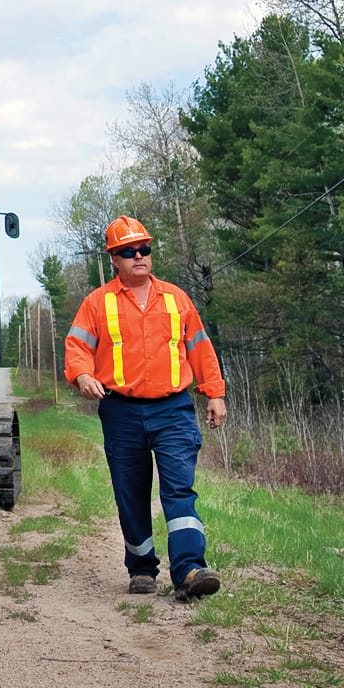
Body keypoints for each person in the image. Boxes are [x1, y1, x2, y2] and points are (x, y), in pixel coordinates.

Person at [65, 216, 228, 599]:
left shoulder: (176, 299)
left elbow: (200, 348)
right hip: (121, 411)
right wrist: (83, 376)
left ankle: (189, 570)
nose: (139, 256)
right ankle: (141, 568)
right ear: (114, 260)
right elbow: (76, 349)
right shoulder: (97, 303)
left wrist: (214, 393)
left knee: (178, 489)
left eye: (144, 249)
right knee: (130, 491)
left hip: (173, 409)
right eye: (128, 251)